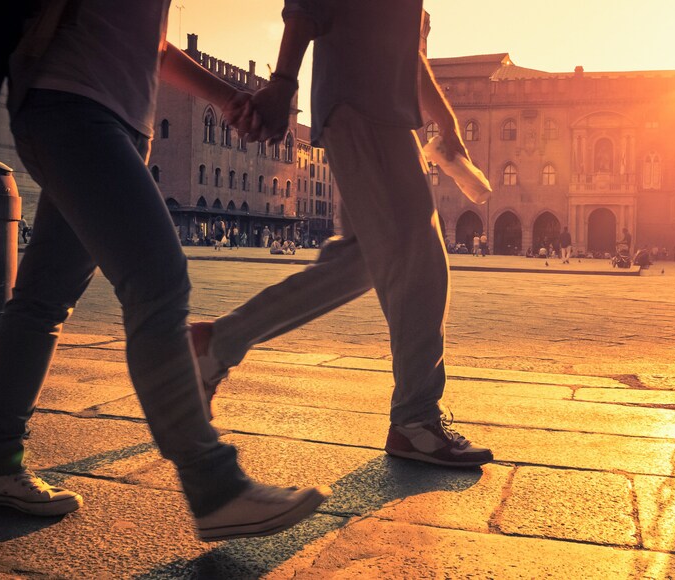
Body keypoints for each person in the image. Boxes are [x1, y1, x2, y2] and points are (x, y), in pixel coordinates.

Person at [0, 1, 328, 542]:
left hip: (114, 121)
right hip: (71, 105)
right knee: (157, 280)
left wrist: (228, 97)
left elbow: (149, 41)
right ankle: (214, 485)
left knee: (44, 298)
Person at [196, 0, 492, 468]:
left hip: (377, 110)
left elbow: (405, 50)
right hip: (365, 105)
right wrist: (282, 84)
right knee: (421, 261)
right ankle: (415, 420)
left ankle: (217, 344)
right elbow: (308, 5)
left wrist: (446, 121)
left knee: (358, 261)